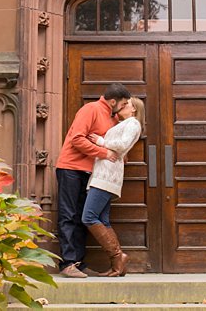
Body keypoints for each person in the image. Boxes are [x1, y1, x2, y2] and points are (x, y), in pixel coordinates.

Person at [55, 82, 130, 278]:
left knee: (83, 218)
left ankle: (79, 263)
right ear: (113, 101)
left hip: (91, 173)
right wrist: (104, 153)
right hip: (71, 168)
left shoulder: (113, 118)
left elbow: (113, 145)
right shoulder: (91, 109)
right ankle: (68, 263)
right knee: (68, 215)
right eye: (123, 104)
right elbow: (77, 139)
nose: (123, 108)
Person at [82, 96, 144, 277]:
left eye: (127, 104)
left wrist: (101, 142)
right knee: (102, 219)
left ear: (133, 110)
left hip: (107, 176)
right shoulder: (124, 123)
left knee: (89, 217)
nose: (123, 106)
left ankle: (118, 256)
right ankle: (118, 264)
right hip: (104, 174)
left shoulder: (133, 123)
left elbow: (123, 145)